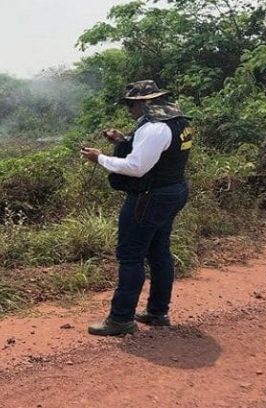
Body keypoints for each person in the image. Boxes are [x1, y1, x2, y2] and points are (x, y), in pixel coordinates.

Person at [80, 80, 192, 336]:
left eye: (131, 104)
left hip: (149, 198)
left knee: (130, 256)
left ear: (145, 103)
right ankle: (157, 312)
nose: (129, 109)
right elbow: (158, 152)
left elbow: (136, 166)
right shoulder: (177, 121)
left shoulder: (155, 129)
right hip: (173, 190)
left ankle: (121, 319)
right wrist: (125, 139)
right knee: (159, 251)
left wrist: (100, 158)